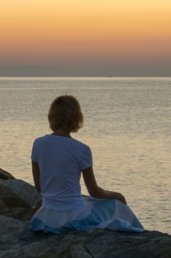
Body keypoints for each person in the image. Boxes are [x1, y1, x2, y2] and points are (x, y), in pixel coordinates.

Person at [29, 94, 144, 234]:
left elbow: (39, 187)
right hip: (74, 216)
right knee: (116, 205)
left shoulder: (38, 144)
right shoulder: (81, 149)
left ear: (52, 117)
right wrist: (116, 195)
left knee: (88, 201)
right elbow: (94, 191)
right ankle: (142, 234)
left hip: (47, 216)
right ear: (76, 118)